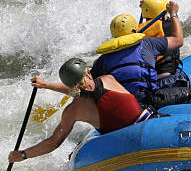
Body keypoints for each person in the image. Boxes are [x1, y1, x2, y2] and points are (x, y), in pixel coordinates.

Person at [35, 1, 191, 109]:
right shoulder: (148, 44)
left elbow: (80, 87)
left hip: (127, 106)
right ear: (135, 30)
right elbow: (178, 40)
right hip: (151, 100)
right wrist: (174, 14)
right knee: (190, 91)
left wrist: (45, 85)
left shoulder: (103, 60)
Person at [8, 58, 152, 163]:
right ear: (88, 73)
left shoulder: (73, 110)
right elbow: (88, 90)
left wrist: (22, 155)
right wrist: (46, 85)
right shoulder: (108, 79)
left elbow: (53, 142)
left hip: (124, 144)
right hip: (149, 126)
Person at [138, 0, 191, 96]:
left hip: (151, 85)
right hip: (169, 81)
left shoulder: (139, 31)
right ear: (163, 14)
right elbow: (178, 39)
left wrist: (147, 7)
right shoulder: (168, 25)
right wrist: (173, 14)